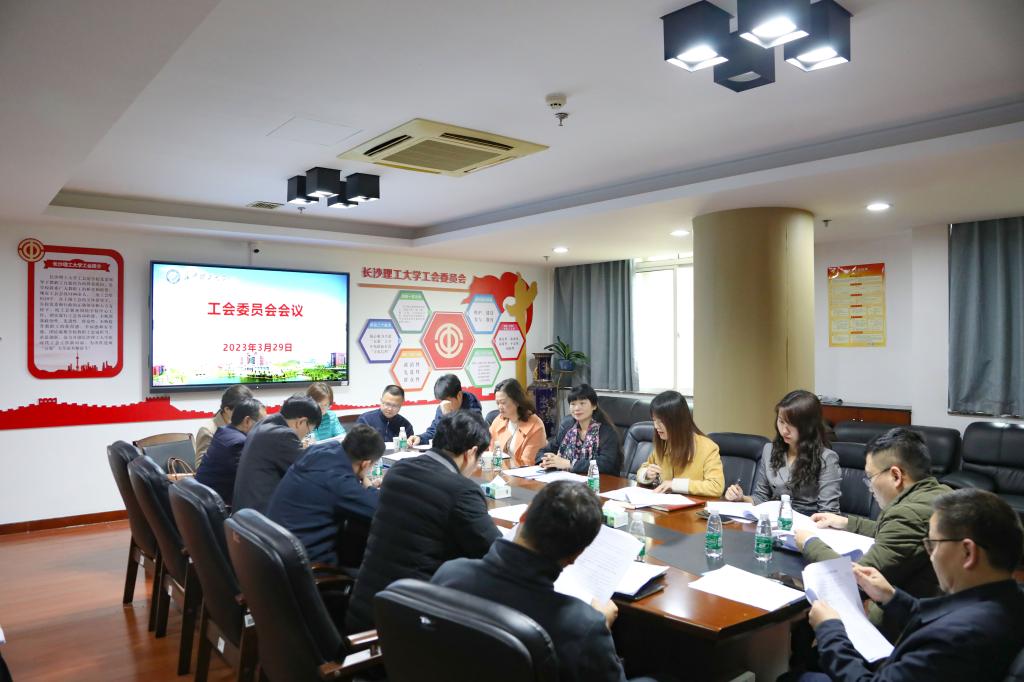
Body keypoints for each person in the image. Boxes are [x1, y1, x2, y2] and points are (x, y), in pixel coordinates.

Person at [434, 481, 664, 682]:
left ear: (523, 517)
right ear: (576, 556)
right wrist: (600, 628)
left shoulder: (450, 575)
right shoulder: (582, 626)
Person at [805, 488, 1024, 682]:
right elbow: (940, 617)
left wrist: (829, 630)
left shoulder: (953, 638)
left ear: (967, 552)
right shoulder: (1009, 599)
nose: (931, 556)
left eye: (933, 544)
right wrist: (890, 597)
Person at [346, 410, 499, 633]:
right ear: (471, 452)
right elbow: (495, 553)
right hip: (408, 625)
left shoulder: (398, 470)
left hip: (366, 608)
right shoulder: (462, 491)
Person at [794, 428, 951, 629]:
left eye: (870, 477)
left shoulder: (907, 515)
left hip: (902, 630)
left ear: (895, 476)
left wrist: (809, 542)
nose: (869, 486)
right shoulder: (940, 494)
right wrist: (846, 523)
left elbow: (854, 577)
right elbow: (892, 530)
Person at [266, 424, 385, 566]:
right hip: (304, 563)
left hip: (276, 549)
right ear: (365, 464)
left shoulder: (317, 450)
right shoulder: (338, 482)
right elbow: (378, 509)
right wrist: (369, 486)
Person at [725, 390, 841, 514]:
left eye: (792, 424)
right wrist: (741, 498)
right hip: (774, 520)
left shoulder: (826, 458)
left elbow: (828, 513)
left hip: (808, 522)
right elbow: (761, 498)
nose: (784, 431)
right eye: (781, 421)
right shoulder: (769, 450)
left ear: (808, 426)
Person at [231, 394, 322, 514]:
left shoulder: (263, 424)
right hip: (262, 517)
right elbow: (310, 474)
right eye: (309, 431)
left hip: (245, 514)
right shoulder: (283, 435)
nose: (306, 436)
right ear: (301, 422)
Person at [636, 390, 724, 496]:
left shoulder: (707, 447)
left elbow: (716, 486)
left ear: (677, 421)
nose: (656, 426)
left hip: (693, 505)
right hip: (665, 503)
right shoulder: (664, 444)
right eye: (654, 420)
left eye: (661, 421)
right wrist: (647, 474)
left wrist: (675, 485)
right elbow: (644, 468)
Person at [194, 397, 265, 505]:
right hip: (217, 507)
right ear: (247, 421)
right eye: (262, 423)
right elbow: (254, 479)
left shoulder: (224, 431)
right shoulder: (238, 444)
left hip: (203, 500)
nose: (265, 428)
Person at [538, 384, 622, 475]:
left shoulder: (606, 432)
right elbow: (543, 452)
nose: (577, 408)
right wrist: (547, 460)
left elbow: (605, 464)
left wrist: (569, 464)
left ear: (594, 406)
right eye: (573, 404)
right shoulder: (568, 427)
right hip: (570, 478)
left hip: (600, 480)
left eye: (582, 403)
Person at [488, 378, 547, 468]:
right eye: (497, 403)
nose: (500, 407)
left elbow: (527, 464)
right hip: (499, 472)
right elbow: (490, 452)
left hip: (523, 474)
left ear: (517, 401)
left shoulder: (535, 426)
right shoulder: (499, 420)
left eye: (503, 402)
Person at [408, 374, 481, 446]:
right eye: (441, 401)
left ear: (459, 395)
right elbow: (435, 431)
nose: (444, 405)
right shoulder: (442, 406)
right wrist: (420, 438)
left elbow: (471, 435)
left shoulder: (472, 405)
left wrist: (448, 416)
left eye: (447, 401)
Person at [194, 384, 253, 467]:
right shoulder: (208, 430)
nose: (246, 415)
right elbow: (200, 466)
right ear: (227, 409)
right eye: (241, 410)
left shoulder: (246, 425)